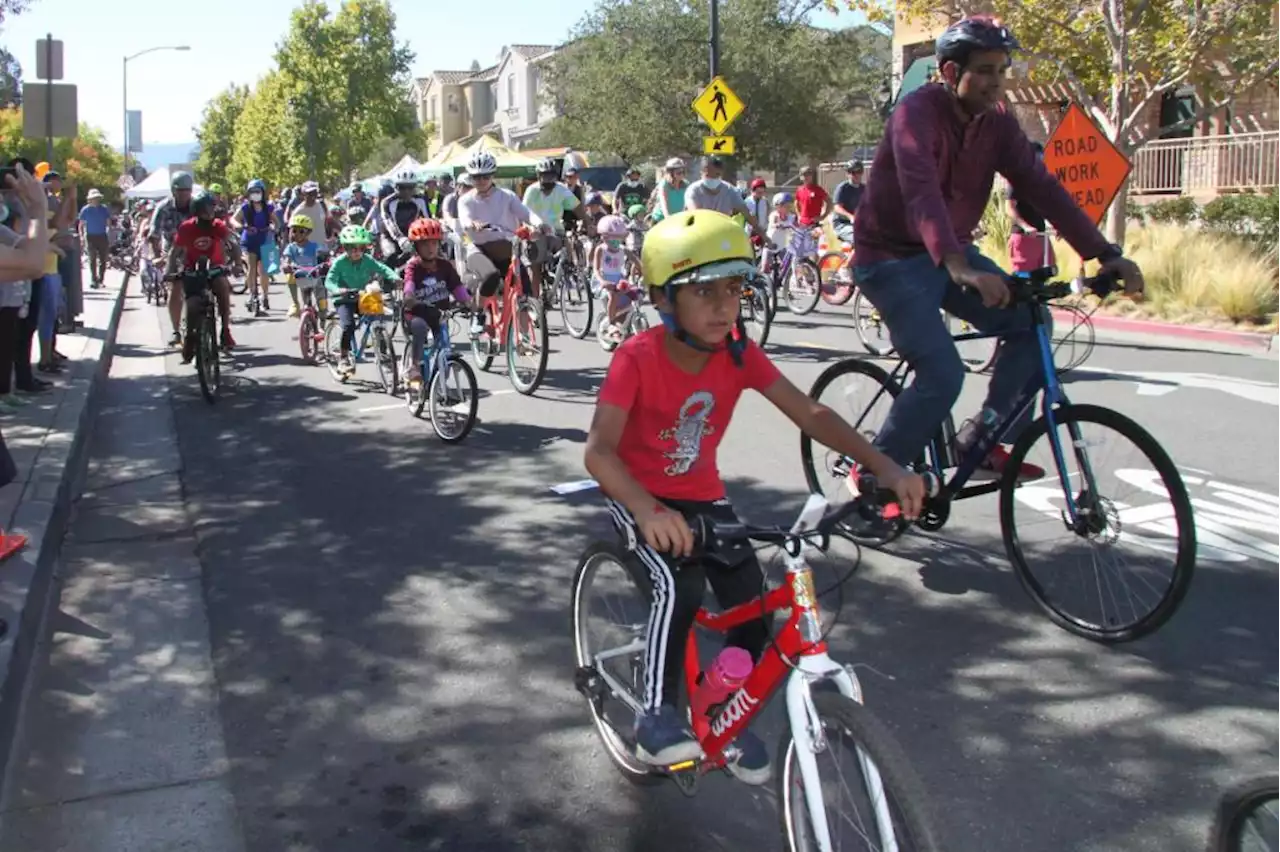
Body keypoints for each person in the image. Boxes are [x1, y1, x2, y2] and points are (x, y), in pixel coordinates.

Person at [583, 209, 926, 781]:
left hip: (704, 500)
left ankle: (723, 714)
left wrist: (886, 466)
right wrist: (647, 508)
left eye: (734, 289)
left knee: (753, 610)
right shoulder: (637, 358)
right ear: (663, 300)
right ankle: (657, 715)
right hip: (639, 495)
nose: (723, 305)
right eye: (703, 292)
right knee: (679, 584)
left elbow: (811, 413)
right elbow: (599, 452)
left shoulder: (739, 353)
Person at [852, 16, 1145, 479]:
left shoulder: (999, 125)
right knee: (944, 374)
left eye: (1001, 70)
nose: (996, 82)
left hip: (952, 254)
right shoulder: (917, 114)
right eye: (985, 70)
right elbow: (921, 191)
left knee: (1033, 323)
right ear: (950, 73)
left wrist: (1104, 252)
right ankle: (876, 474)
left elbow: (1043, 188)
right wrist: (956, 264)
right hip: (890, 260)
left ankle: (983, 441)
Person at [457, 151, 537, 332]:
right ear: (471, 178)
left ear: (493, 175)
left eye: (485, 176)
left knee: (524, 287)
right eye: (476, 177)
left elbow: (526, 213)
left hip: (506, 249)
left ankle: (524, 338)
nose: (481, 180)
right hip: (478, 250)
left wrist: (541, 225)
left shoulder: (507, 196)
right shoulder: (465, 200)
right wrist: (473, 224)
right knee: (491, 276)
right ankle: (478, 315)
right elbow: (465, 220)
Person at [167, 190, 241, 359]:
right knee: (192, 305)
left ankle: (225, 330)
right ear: (197, 211)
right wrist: (170, 272)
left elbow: (234, 244)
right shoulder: (186, 227)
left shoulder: (218, 226)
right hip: (193, 270)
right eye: (206, 209)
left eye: (211, 208)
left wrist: (237, 264)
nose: (210, 212)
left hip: (215, 268)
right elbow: (174, 252)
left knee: (222, 287)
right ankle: (190, 338)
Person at [401, 218, 470, 387]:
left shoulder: (445, 266)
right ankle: (414, 366)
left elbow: (457, 287)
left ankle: (439, 386)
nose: (430, 248)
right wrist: (409, 295)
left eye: (434, 244)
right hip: (417, 313)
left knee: (445, 346)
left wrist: (469, 303)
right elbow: (409, 283)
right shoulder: (413, 266)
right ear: (416, 247)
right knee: (420, 328)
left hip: (439, 314)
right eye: (425, 244)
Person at [324, 224, 398, 376]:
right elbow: (329, 281)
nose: (356, 252)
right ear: (345, 248)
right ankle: (343, 357)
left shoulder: (367, 260)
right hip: (344, 299)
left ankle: (384, 357)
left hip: (362, 296)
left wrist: (395, 277)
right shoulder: (339, 262)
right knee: (348, 325)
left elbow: (382, 268)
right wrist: (338, 290)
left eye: (360, 248)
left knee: (378, 320)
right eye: (352, 248)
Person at [521, 157, 584, 299]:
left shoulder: (561, 189)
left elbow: (577, 207)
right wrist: (530, 228)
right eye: (545, 176)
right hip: (536, 231)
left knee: (566, 248)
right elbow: (524, 212)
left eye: (552, 176)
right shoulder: (532, 191)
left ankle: (566, 273)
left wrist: (587, 223)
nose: (549, 180)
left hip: (556, 230)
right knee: (535, 269)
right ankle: (535, 303)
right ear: (539, 176)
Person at [150, 171, 199, 346]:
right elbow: (154, 235)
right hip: (172, 252)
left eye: (187, 190)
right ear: (173, 191)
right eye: (180, 190)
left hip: (196, 251)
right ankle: (176, 330)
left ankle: (205, 322)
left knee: (204, 285)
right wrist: (156, 257)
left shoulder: (197, 206)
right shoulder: (163, 208)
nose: (185, 194)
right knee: (175, 288)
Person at [1006, 142, 1056, 272]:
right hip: (1023, 237)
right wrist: (1026, 226)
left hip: (1041, 236)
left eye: (1041, 159)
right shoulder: (1016, 180)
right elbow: (1009, 207)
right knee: (1025, 279)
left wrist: (1057, 226)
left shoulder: (1042, 182)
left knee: (1049, 272)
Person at [230, 179, 277, 316]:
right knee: (251, 268)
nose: (255, 194)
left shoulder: (268, 208)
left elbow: (277, 222)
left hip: (265, 239)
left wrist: (273, 227)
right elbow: (234, 219)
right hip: (250, 240)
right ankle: (252, 294)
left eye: (258, 192)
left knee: (264, 270)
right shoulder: (245, 208)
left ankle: (265, 296)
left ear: (262, 193)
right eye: (253, 192)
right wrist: (242, 226)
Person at [684, 157, 763, 238]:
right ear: (702, 173)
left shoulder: (730, 190)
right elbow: (695, 214)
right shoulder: (693, 190)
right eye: (708, 175)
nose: (713, 178)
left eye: (716, 175)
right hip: (699, 236)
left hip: (723, 237)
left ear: (721, 174)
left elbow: (748, 215)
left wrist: (765, 238)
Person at [376, 171, 429, 269]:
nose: (406, 191)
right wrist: (400, 238)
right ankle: (387, 282)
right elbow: (389, 223)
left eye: (410, 187)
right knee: (390, 254)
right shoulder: (387, 202)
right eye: (402, 187)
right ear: (395, 187)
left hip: (412, 236)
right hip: (390, 236)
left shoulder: (420, 200)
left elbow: (428, 220)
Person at [591, 214, 631, 342]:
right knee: (613, 295)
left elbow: (638, 262)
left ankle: (622, 324)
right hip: (604, 280)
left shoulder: (623, 250)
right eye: (611, 238)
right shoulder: (601, 249)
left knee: (633, 296)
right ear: (604, 237)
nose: (615, 241)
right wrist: (603, 281)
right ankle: (611, 322)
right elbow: (596, 269)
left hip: (619, 279)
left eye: (618, 238)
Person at [280, 213, 327, 320]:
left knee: (321, 301)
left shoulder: (314, 246)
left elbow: (323, 253)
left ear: (308, 232)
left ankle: (323, 322)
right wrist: (286, 265)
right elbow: (287, 259)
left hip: (315, 276)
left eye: (301, 231)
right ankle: (297, 306)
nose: (297, 234)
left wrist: (325, 259)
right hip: (302, 277)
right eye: (294, 231)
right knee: (305, 300)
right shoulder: (291, 247)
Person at [78, 189, 112, 288]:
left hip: (102, 236)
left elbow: (108, 222)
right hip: (90, 236)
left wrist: (108, 231)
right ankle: (93, 280)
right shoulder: (85, 210)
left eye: (97, 198)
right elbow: (81, 224)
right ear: (90, 199)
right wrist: (81, 236)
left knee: (103, 259)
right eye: (94, 198)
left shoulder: (104, 209)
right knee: (92, 259)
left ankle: (101, 280)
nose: (96, 200)